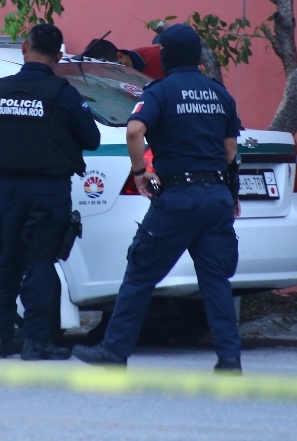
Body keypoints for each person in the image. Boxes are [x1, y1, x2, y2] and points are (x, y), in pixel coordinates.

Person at [72, 24, 244, 373]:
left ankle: (115, 351)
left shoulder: (159, 91)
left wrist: (139, 171)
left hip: (178, 198)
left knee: (140, 274)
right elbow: (230, 150)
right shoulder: (219, 93)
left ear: (166, 55)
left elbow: (134, 130)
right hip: (216, 197)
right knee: (215, 281)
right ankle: (229, 360)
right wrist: (230, 192)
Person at [0, 24, 101, 360]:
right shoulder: (63, 93)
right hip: (48, 190)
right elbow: (92, 138)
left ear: (24, 47)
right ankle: (36, 342)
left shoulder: (0, 91)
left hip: (9, 189)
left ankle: (0, 340)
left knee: (9, 260)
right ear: (59, 56)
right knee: (40, 263)